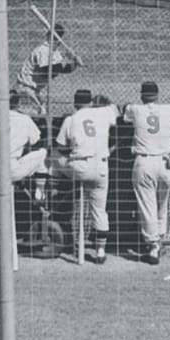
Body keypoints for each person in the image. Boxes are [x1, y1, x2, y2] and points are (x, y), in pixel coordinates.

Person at [0, 92, 45, 267]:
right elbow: (37, 139)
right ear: (18, 105)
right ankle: (40, 188)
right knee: (42, 153)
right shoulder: (24, 120)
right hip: (13, 167)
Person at [124, 80, 170, 264]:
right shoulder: (168, 109)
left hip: (144, 162)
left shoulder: (135, 109)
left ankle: (153, 246)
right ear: (157, 95)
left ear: (142, 95)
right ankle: (160, 239)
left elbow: (124, 111)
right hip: (165, 163)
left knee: (147, 206)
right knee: (162, 204)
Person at [55, 88, 117, 263]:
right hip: (100, 167)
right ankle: (100, 251)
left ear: (75, 104)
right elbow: (115, 110)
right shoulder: (104, 113)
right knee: (99, 211)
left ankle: (41, 187)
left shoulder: (71, 119)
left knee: (54, 156)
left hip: (78, 168)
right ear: (91, 102)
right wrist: (103, 101)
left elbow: (60, 146)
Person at [16, 22, 81, 119]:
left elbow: (65, 69)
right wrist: (66, 58)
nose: (55, 40)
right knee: (35, 116)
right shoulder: (43, 50)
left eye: (58, 37)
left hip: (34, 91)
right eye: (54, 37)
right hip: (25, 88)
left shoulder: (56, 53)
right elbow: (47, 72)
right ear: (48, 36)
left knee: (41, 114)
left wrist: (74, 63)